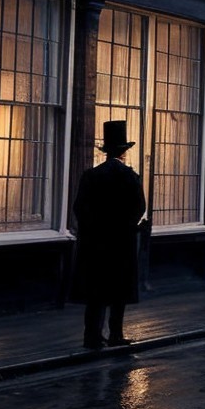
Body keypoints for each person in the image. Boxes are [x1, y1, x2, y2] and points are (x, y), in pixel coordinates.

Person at [73, 121, 146, 349]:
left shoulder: (91, 176)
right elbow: (139, 207)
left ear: (106, 151)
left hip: (95, 242)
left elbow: (79, 207)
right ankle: (116, 334)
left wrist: (91, 229)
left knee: (96, 291)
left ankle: (92, 336)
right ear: (124, 151)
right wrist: (126, 226)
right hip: (121, 242)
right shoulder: (130, 176)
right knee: (118, 291)